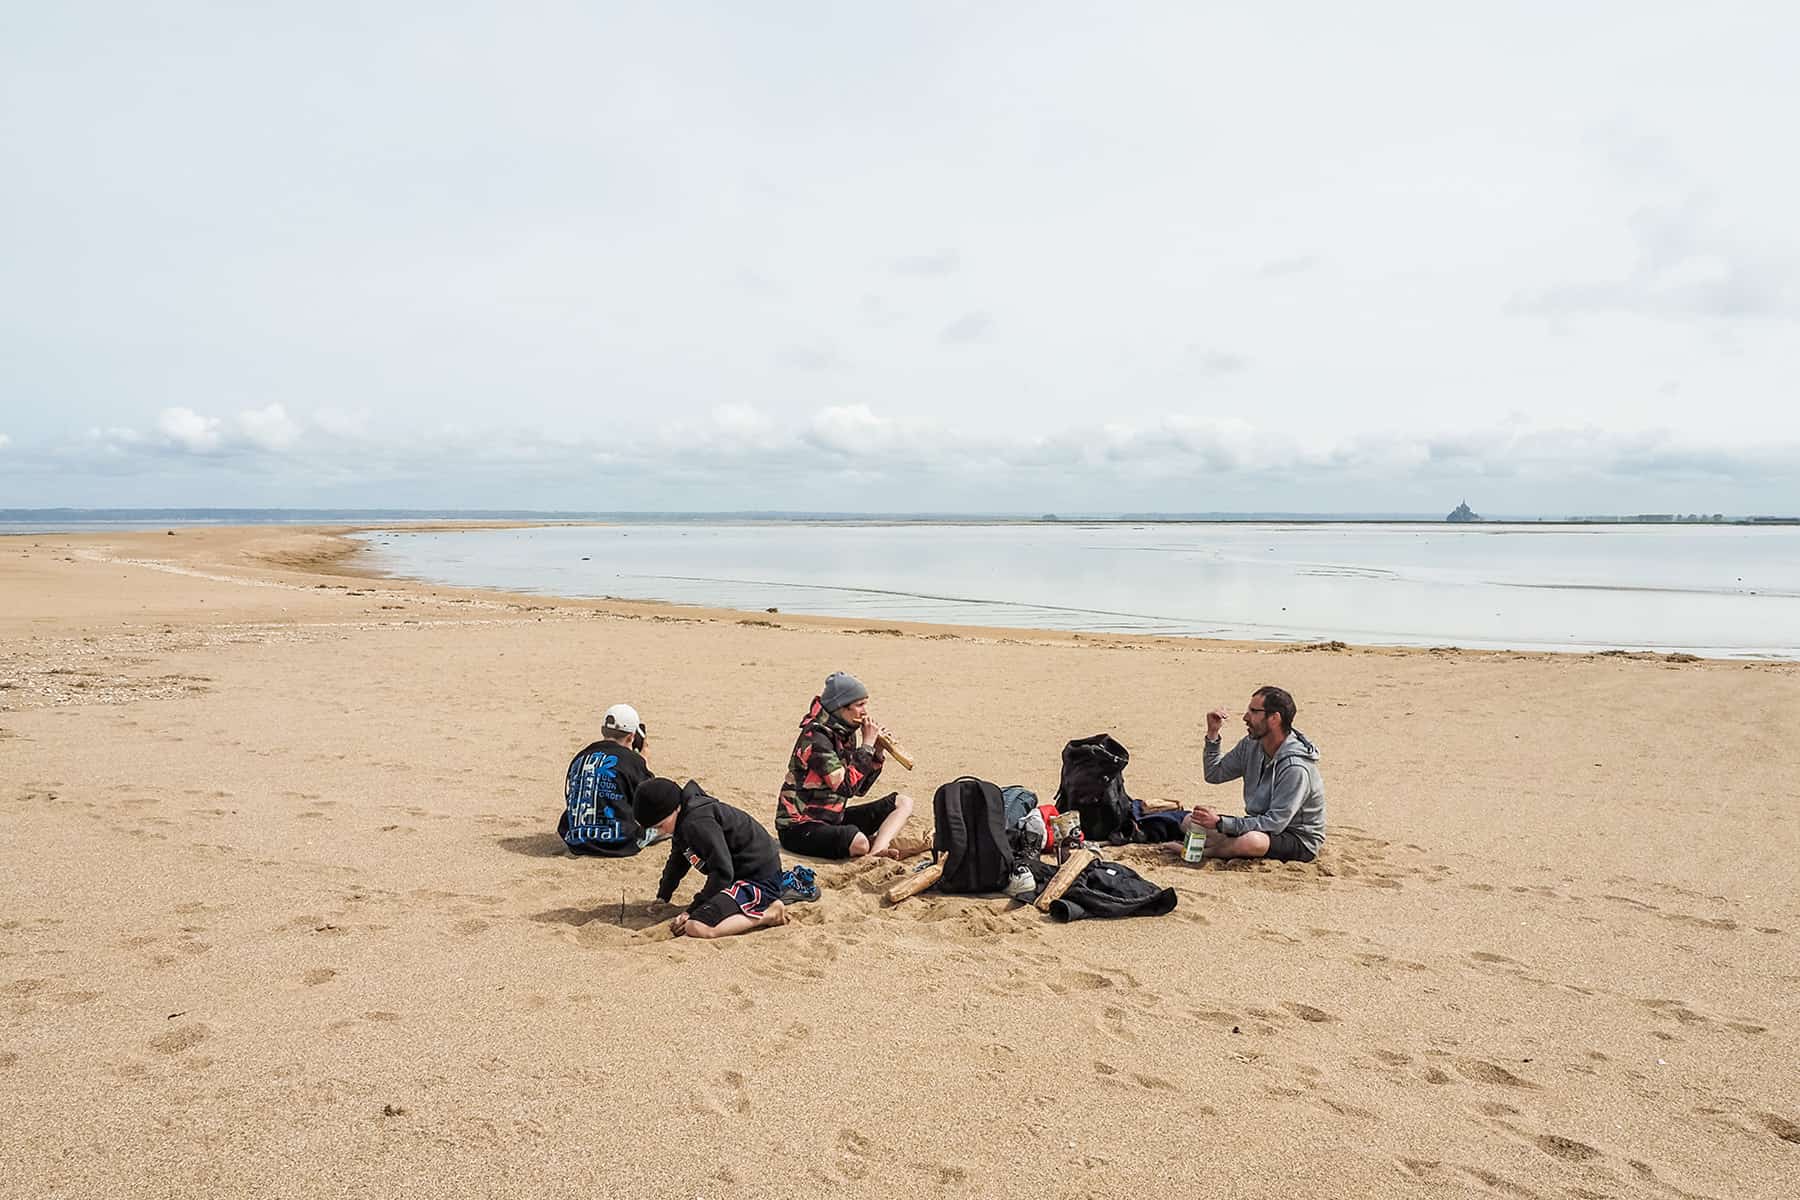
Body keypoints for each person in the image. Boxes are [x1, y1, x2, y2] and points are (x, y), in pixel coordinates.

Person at [775, 671, 914, 859]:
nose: (865, 711)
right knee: (858, 842)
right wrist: (866, 746)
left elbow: (859, 789)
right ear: (841, 707)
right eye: (859, 705)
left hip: (833, 818)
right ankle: (869, 847)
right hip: (799, 827)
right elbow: (845, 787)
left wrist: (877, 752)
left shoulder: (845, 734)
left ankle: (876, 853)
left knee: (903, 803)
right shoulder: (816, 737)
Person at [635, 777, 791, 939]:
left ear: (677, 808)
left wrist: (692, 910)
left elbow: (722, 871)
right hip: (737, 875)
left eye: (660, 826)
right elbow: (678, 860)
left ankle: (769, 914)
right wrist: (663, 896)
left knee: (697, 926)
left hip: (758, 880)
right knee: (699, 916)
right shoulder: (683, 820)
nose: (660, 832)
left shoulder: (697, 823)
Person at [1185, 686, 1326, 862]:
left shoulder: (1295, 768)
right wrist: (1213, 734)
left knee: (1251, 841)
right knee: (1191, 821)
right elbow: (1214, 773)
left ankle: (1208, 852)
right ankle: (1225, 845)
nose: (1245, 717)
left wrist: (1221, 823)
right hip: (1258, 825)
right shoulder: (1251, 744)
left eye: (1253, 711)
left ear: (1274, 718)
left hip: (1296, 837)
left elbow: (1275, 823)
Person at [557, 703, 653, 856]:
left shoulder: (580, 757)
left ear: (603, 731)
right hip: (620, 843)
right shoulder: (632, 761)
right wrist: (644, 765)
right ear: (632, 737)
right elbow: (650, 801)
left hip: (577, 840)